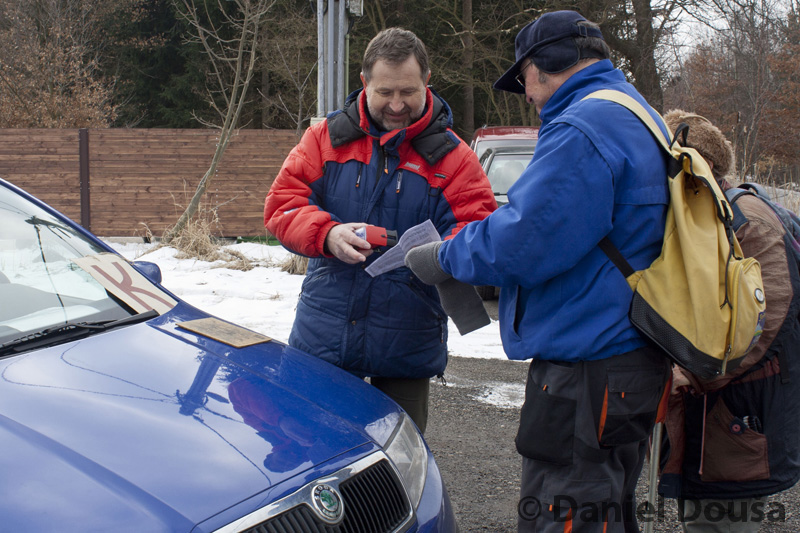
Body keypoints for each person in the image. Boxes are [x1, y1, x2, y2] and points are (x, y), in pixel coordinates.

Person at [404, 10, 672, 532]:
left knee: (565, 513)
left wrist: (445, 255)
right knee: (606, 508)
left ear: (545, 64)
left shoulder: (582, 127)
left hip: (587, 367)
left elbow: (524, 238)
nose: (525, 93)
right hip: (631, 356)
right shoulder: (637, 114)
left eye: (524, 77)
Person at [263, 27, 496, 435]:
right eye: (385, 92)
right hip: (325, 336)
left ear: (427, 82)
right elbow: (283, 205)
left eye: (408, 91)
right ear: (364, 82)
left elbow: (480, 233)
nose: (396, 104)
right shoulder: (324, 139)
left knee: (401, 467)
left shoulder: (456, 159)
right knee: (313, 450)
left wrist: (439, 254)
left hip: (408, 340)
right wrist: (327, 233)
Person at [658, 110, 800, 532]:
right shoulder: (703, 216)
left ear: (705, 167)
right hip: (710, 415)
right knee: (702, 517)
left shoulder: (749, 221)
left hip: (739, 414)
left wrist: (693, 373)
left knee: (723, 522)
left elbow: (767, 318)